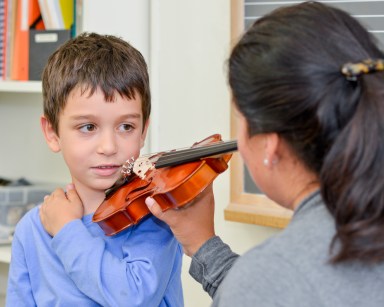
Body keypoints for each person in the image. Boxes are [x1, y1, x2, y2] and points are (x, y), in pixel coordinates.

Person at [145, 2, 384, 306]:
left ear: (270, 146)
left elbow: (270, 288)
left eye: (239, 119)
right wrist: (204, 245)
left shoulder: (267, 278)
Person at [6, 33, 183, 306]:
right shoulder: (32, 228)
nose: (109, 146)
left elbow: (134, 297)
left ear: (143, 131)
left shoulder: (154, 216)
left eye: (126, 126)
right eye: (88, 127)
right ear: (52, 133)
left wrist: (67, 230)